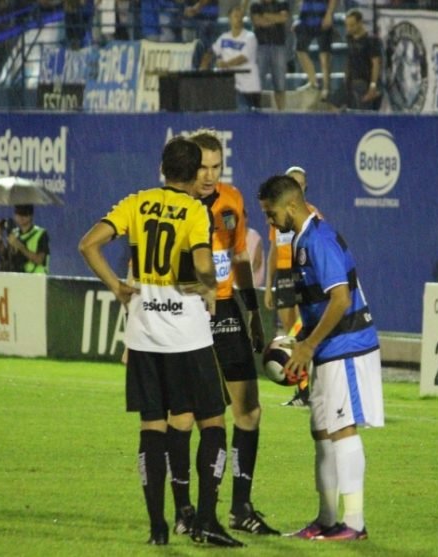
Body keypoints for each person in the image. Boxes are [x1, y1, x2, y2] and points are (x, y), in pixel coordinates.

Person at [77, 136, 243, 547]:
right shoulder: (193, 210)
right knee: (214, 424)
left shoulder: (136, 202)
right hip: (187, 335)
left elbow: (88, 244)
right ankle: (205, 520)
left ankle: (158, 529)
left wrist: (117, 285)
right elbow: (204, 267)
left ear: (164, 168)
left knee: (152, 429)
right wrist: (204, 284)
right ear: (192, 173)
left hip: (144, 334)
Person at [258, 174, 384, 541]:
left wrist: (308, 345)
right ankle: (327, 520)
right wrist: (297, 340)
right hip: (325, 349)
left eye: (271, 213)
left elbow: (341, 299)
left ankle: (355, 523)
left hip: (346, 346)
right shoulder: (300, 240)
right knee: (322, 432)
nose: (269, 221)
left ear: (292, 206)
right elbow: (315, 304)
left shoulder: (320, 239)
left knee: (343, 429)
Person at [186, 129, 279, 536]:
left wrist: (253, 312)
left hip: (225, 309)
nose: (208, 175)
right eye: (201, 167)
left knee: (249, 411)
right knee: (190, 417)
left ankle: (240, 508)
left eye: (215, 166)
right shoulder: (176, 203)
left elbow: (239, 256)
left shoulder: (233, 200)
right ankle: (188, 510)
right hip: (186, 311)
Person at [264, 166, 319, 407]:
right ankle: (301, 390)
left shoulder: (312, 214)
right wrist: (268, 286)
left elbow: (318, 250)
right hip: (284, 278)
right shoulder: (277, 215)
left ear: (304, 187)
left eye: (300, 182)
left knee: (302, 335)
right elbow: (274, 252)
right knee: (289, 339)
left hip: (302, 276)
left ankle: (310, 391)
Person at [206, 4, 261, 111]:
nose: (239, 19)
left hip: (249, 86)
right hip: (231, 85)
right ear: (229, 19)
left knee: (249, 116)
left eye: (241, 17)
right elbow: (211, 52)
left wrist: (225, 64)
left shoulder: (250, 37)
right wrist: (204, 64)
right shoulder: (223, 38)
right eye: (236, 16)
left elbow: (243, 58)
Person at [326, 8, 381, 111]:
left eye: (352, 25)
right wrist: (345, 76)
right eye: (347, 25)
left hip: (363, 82)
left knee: (361, 112)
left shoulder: (371, 40)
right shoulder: (349, 38)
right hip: (350, 81)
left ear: (360, 23)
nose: (348, 28)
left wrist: (373, 86)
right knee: (333, 104)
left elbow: (376, 64)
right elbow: (349, 58)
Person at [250, 0, 290, 110]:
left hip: (279, 47)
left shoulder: (283, 4)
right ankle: (257, 111)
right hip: (261, 47)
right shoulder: (255, 5)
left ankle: (282, 113)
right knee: (258, 83)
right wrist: (275, 18)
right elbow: (258, 22)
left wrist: (266, 16)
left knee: (280, 84)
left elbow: (283, 18)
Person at [294, 0, 337, 100]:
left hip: (322, 15)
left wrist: (329, 14)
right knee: (300, 49)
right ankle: (313, 82)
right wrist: (298, 19)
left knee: (324, 56)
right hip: (306, 17)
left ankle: (326, 88)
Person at [0, 204, 50, 273]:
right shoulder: (14, 233)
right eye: (18, 213)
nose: (21, 216)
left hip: (36, 278)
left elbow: (39, 260)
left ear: (31, 215)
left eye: (24, 213)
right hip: (19, 277)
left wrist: (20, 246)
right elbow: (3, 256)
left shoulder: (41, 234)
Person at [185, 0, 220, 69]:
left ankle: (205, 64)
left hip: (210, 19)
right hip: (193, 21)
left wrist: (197, 7)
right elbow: (186, 10)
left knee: (205, 29)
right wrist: (188, 11)